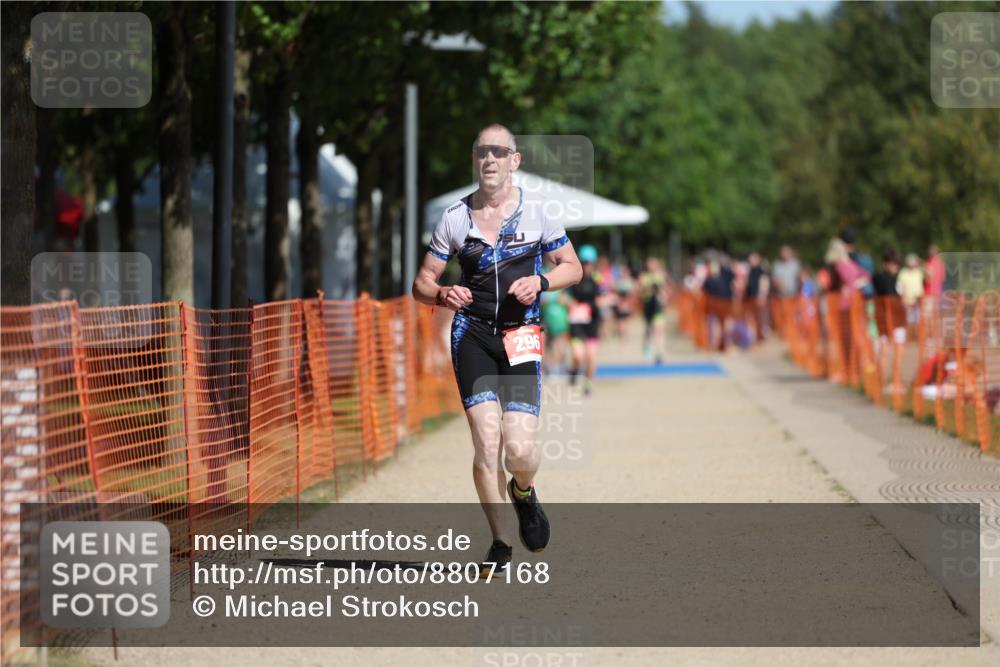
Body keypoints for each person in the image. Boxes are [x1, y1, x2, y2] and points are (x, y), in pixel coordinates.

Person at [412, 124, 582, 575]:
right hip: (472, 335)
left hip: (520, 334)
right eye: (482, 152)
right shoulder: (455, 217)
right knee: (487, 443)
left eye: (498, 152)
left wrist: (542, 281)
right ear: (475, 160)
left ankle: (524, 490)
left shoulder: (537, 213)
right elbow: (421, 283)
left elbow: (573, 267)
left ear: (514, 160)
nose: (489, 159)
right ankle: (501, 542)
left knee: (519, 450)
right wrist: (442, 293)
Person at [568, 244, 604, 396]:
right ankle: (575, 369)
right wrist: (571, 304)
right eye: (584, 262)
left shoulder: (598, 278)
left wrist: (601, 302)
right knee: (578, 355)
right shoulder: (574, 277)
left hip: (592, 322)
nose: (587, 265)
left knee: (591, 356)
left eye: (589, 262)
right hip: (577, 322)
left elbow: (604, 296)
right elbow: (564, 296)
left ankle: (588, 385)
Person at [639, 257, 669, 363]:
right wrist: (649, 288)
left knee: (659, 330)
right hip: (648, 306)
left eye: (653, 264)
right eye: (649, 264)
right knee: (649, 330)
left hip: (657, 306)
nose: (651, 266)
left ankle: (659, 353)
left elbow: (665, 289)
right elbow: (641, 289)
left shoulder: (661, 275)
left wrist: (663, 295)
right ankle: (648, 347)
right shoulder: (644, 276)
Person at [743, 252, 770, 344]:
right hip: (750, 297)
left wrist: (762, 295)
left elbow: (764, 282)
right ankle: (755, 336)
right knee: (752, 318)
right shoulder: (750, 270)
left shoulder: (761, 270)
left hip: (758, 297)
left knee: (760, 318)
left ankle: (760, 337)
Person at [896, 253, 925, 332]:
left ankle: (918, 338)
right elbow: (900, 287)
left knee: (919, 322)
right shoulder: (903, 273)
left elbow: (931, 274)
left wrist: (921, 262)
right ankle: (910, 339)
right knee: (909, 322)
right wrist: (903, 299)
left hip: (919, 300)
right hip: (907, 302)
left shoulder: (919, 271)